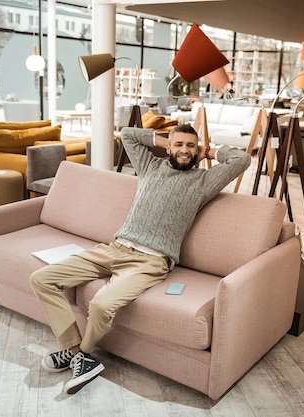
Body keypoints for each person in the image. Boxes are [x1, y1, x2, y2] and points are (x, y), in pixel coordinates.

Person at [30, 124, 251, 394]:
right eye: (178, 145)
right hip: (114, 249)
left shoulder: (203, 182)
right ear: (168, 147)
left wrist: (210, 151)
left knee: (101, 304)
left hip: (151, 261)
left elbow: (242, 159)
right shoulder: (150, 166)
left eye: (190, 146)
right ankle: (76, 351)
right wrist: (164, 139)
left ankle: (83, 354)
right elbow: (127, 134)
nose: (184, 150)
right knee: (42, 279)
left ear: (198, 151)